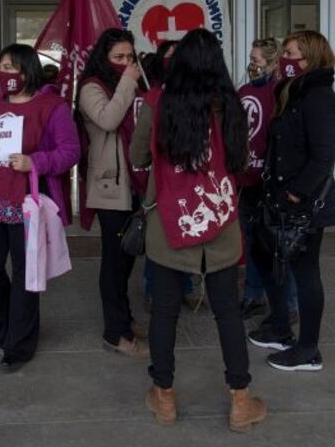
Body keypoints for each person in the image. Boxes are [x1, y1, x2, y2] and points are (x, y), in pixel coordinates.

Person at [131, 29, 267, 432]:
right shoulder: (230, 104)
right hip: (220, 220)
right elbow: (241, 162)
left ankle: (165, 397)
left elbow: (138, 156)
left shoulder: (158, 100)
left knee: (166, 313)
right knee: (227, 312)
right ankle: (241, 402)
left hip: (170, 222)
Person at [0, 43, 80, 373]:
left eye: (11, 67)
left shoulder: (52, 106)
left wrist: (35, 161)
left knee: (25, 273)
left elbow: (70, 151)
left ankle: (19, 342)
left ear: (27, 70)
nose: (4, 74)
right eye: (0, 67)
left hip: (27, 203)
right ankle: (1, 324)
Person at [248, 30, 335, 372]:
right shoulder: (293, 92)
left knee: (304, 270)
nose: (284, 60)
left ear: (310, 59)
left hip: (304, 203)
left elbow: (322, 157)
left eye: (291, 54)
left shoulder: (318, 98)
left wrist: (296, 193)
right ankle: (280, 326)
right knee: (264, 254)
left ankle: (308, 349)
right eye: (284, 52)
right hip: (279, 197)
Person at [76, 28, 147, 358]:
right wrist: (129, 81)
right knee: (115, 262)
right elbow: (108, 119)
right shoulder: (91, 86)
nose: (126, 63)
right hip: (110, 184)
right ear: (103, 59)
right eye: (118, 58)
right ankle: (114, 332)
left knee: (128, 256)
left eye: (130, 57)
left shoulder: (131, 83)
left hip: (135, 181)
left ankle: (125, 318)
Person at [139, 40, 198, 313]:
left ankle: (186, 287)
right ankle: (156, 291)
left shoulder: (202, 97)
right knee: (160, 240)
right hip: (163, 186)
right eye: (170, 56)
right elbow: (139, 154)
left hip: (193, 185)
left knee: (191, 235)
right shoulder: (154, 97)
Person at [238, 38, 279, 321]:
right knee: (251, 240)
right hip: (245, 178)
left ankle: (280, 301)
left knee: (273, 243)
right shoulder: (244, 91)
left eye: (257, 59)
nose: (253, 64)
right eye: (251, 58)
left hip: (269, 179)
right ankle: (253, 294)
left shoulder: (283, 93)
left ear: (273, 61)